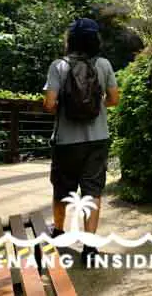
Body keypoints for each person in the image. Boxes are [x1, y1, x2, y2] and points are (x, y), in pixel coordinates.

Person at [43, 18, 119, 266]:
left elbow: (49, 104)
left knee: (62, 188)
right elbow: (114, 99)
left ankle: (58, 232)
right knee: (92, 191)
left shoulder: (59, 66)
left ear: (70, 40)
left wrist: (68, 107)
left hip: (66, 141)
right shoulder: (104, 64)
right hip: (97, 139)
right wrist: (94, 106)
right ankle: (89, 247)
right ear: (95, 40)